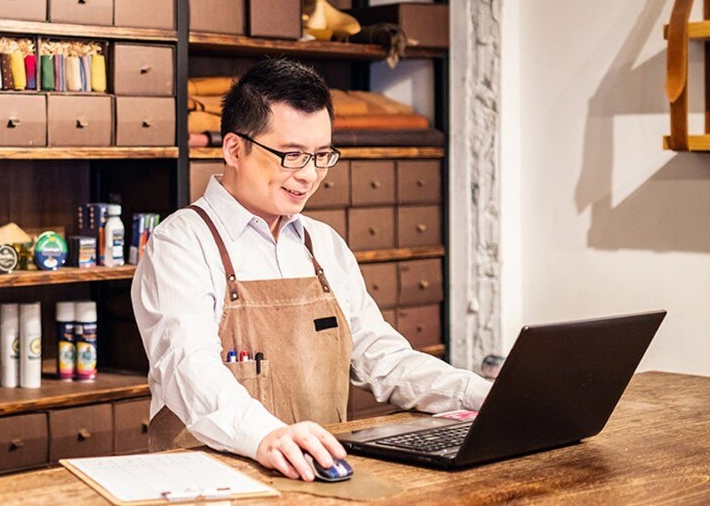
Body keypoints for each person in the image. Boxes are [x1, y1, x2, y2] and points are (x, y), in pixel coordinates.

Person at [131, 58, 492, 481]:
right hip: (210, 481)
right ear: (233, 148)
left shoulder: (323, 244)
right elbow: (187, 366)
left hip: (315, 476)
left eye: (322, 155)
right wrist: (266, 435)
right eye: (291, 155)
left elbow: (383, 360)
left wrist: (482, 394)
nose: (309, 175)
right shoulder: (181, 243)